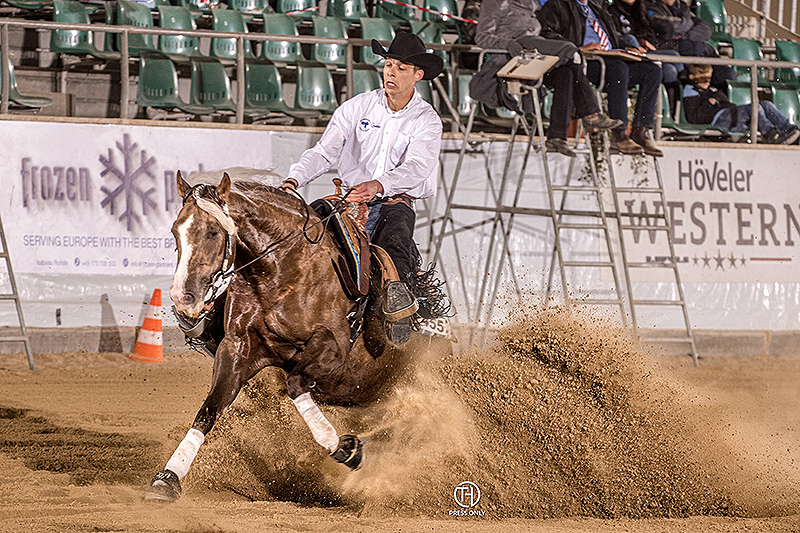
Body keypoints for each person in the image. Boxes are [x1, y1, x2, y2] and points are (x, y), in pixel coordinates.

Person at [278, 32, 443, 345]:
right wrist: (294, 179)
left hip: (394, 201)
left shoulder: (426, 120)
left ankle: (399, 315)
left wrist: (380, 185)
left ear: (417, 75)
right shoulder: (357, 108)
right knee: (305, 235)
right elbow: (324, 152)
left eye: (401, 68)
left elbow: (418, 168)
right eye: (389, 65)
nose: (391, 72)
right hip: (349, 199)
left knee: (396, 243)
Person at [475, 0, 622, 157]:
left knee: (566, 73)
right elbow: (482, 37)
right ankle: (591, 113)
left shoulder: (532, 3)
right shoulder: (495, 2)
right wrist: (508, 44)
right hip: (510, 60)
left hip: (536, 57)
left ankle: (557, 137)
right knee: (570, 52)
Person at [537, 0, 665, 156]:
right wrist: (577, 48)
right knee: (618, 68)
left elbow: (612, 38)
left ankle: (641, 130)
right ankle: (619, 134)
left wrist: (627, 48)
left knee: (652, 70)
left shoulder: (597, 8)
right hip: (584, 62)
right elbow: (546, 34)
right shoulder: (557, 5)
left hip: (609, 58)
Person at [682, 63, 800, 144]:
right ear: (692, 77)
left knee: (766, 105)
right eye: (703, 78)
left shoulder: (710, 89)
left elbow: (721, 99)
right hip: (718, 119)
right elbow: (694, 117)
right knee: (755, 108)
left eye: (709, 78)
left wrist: (716, 99)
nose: (707, 81)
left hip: (729, 114)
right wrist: (710, 102)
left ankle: (791, 131)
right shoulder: (690, 90)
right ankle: (771, 135)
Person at [646, 0, 735, 90]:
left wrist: (685, 35)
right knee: (694, 68)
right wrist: (690, 24)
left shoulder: (682, 7)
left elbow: (706, 29)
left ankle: (720, 101)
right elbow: (666, 28)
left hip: (699, 50)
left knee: (726, 72)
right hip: (673, 48)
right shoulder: (650, 6)